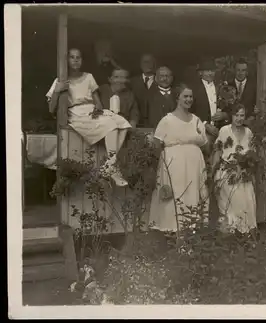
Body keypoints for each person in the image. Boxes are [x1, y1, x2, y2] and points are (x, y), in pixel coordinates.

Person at [46, 48, 131, 187]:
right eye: (72, 57)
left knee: (123, 123)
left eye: (78, 57)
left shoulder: (89, 76)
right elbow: (51, 108)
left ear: (82, 60)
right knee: (112, 126)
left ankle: (109, 165)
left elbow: (96, 98)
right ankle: (112, 168)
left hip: (91, 110)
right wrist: (57, 90)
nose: (75, 60)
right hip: (76, 113)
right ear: (66, 60)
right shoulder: (60, 80)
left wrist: (98, 106)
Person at [148, 83, 209, 235]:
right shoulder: (167, 120)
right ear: (177, 98)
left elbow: (206, 145)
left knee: (193, 197)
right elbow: (157, 145)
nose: (189, 100)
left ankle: (190, 234)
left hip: (194, 167)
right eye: (185, 96)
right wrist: (163, 170)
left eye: (191, 97)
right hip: (174, 166)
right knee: (176, 198)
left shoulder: (196, 120)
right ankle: (173, 236)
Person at [212, 103, 257, 234]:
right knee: (229, 205)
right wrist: (213, 174)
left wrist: (245, 168)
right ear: (231, 116)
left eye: (242, 115)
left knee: (246, 203)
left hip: (243, 173)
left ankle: (245, 235)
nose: (239, 118)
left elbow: (252, 155)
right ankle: (229, 234)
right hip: (227, 172)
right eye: (236, 115)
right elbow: (218, 152)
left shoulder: (248, 132)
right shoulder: (224, 130)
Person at [190, 60, 228, 140]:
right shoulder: (193, 89)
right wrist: (205, 124)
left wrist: (225, 115)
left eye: (212, 71)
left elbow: (232, 107)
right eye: (207, 71)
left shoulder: (221, 86)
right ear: (201, 73)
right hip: (200, 132)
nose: (210, 73)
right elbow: (190, 111)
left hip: (221, 131)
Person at [129, 54, 157, 126]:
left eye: (151, 62)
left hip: (155, 123)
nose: (148, 65)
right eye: (145, 62)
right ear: (140, 64)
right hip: (136, 123)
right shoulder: (132, 82)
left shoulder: (160, 82)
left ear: (154, 64)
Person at [227, 58, 257, 123]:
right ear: (234, 70)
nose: (240, 73)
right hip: (231, 123)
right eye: (238, 70)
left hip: (248, 123)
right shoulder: (227, 86)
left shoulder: (254, 87)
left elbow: (257, 106)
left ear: (247, 72)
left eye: (243, 70)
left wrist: (253, 116)